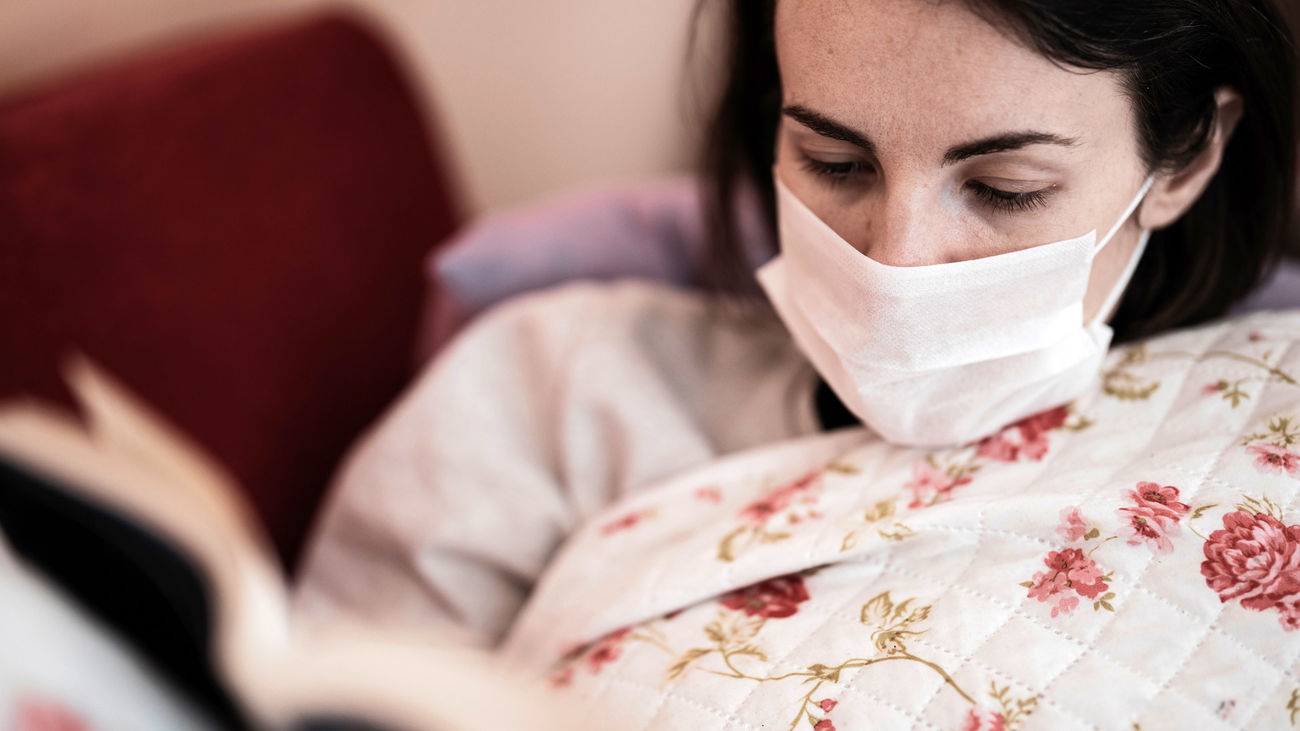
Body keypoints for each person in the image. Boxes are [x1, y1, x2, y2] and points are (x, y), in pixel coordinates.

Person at [296, 1, 1298, 727]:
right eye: (836, 164)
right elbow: (340, 693)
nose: (895, 257)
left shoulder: (1268, 407)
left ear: (1187, 158)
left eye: (1003, 186)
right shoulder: (558, 386)